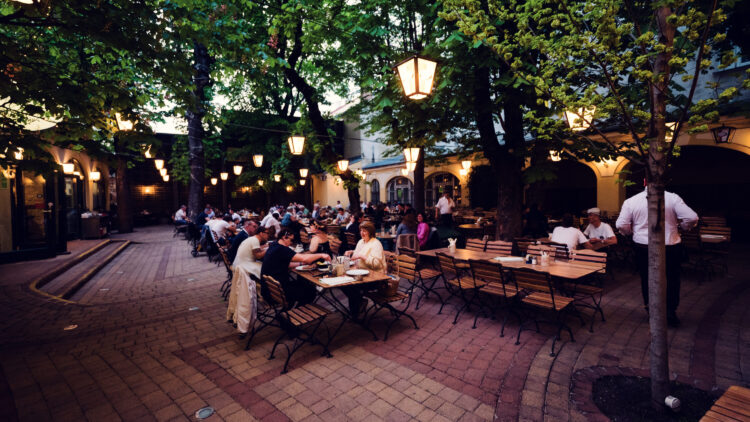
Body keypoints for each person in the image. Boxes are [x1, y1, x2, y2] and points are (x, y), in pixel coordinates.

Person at [616, 187, 698, 327]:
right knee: (672, 278)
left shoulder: (631, 201)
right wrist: (683, 227)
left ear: (644, 182)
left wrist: (632, 231)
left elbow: (621, 225)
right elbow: (692, 217)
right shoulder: (672, 197)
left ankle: (651, 310)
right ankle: (670, 311)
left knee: (647, 278)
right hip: (670, 244)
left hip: (643, 245)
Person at [260, 228, 331, 307]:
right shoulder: (282, 249)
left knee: (303, 284)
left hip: (269, 290)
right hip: (279, 292)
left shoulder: (274, 244)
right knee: (310, 291)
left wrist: (300, 264)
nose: (291, 243)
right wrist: (321, 255)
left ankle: (288, 311)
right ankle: (295, 313)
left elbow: (285, 264)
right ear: (284, 237)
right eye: (291, 240)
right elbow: (306, 259)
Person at [226, 227, 270, 336]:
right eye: (267, 234)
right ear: (261, 233)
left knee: (264, 268)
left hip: (240, 266)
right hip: (246, 267)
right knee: (267, 270)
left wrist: (265, 247)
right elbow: (258, 255)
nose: (268, 236)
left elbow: (257, 250)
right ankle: (266, 294)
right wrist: (269, 249)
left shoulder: (251, 239)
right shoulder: (255, 240)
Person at [344, 222, 386, 319]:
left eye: (365, 231)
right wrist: (351, 252)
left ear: (370, 232)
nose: (362, 233)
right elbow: (357, 253)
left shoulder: (376, 244)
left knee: (351, 287)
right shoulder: (361, 242)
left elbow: (377, 264)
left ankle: (355, 314)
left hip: (376, 278)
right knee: (345, 285)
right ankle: (359, 303)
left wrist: (362, 256)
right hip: (362, 275)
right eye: (361, 230)